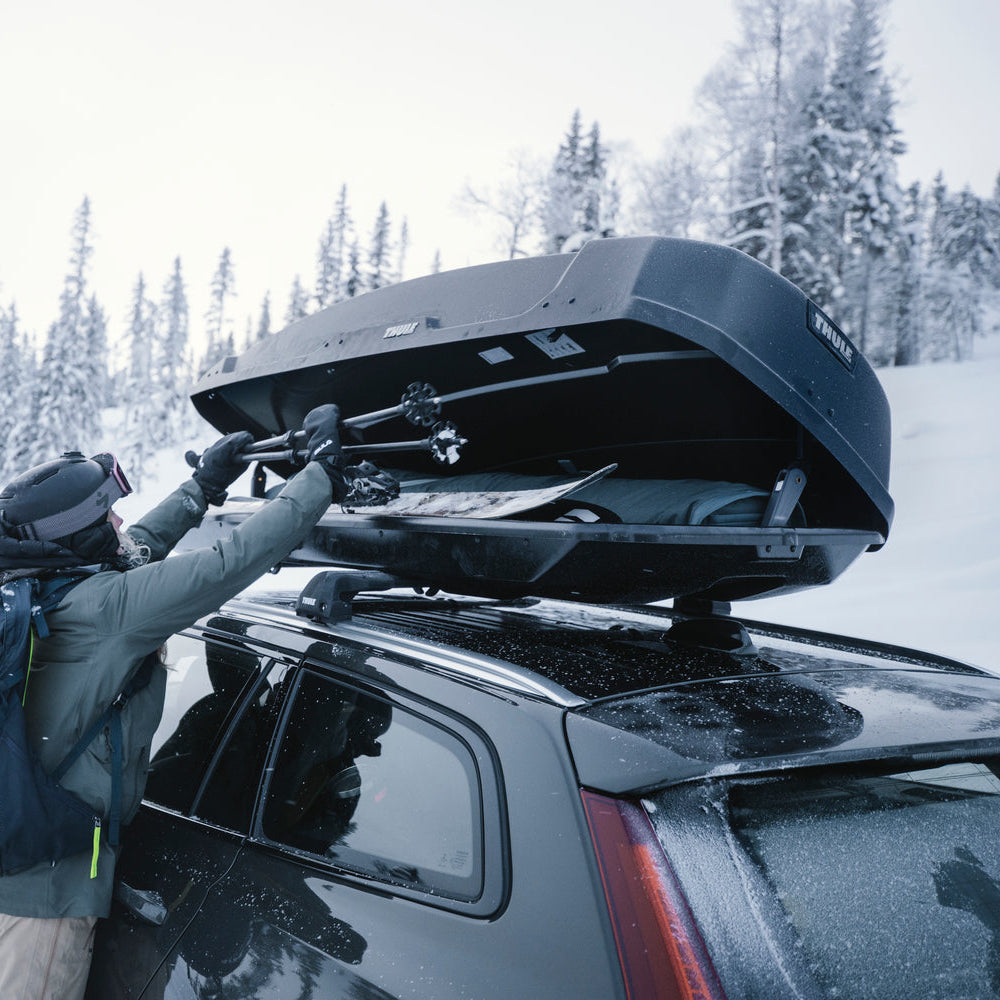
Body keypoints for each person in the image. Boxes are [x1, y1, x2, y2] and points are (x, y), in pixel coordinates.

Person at [0, 404, 347, 1000]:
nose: (117, 519)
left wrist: (202, 488)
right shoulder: (108, 608)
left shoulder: (38, 586)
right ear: (75, 536)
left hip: (23, 855)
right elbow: (225, 565)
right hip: (45, 899)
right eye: (104, 514)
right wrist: (321, 475)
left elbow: (134, 547)